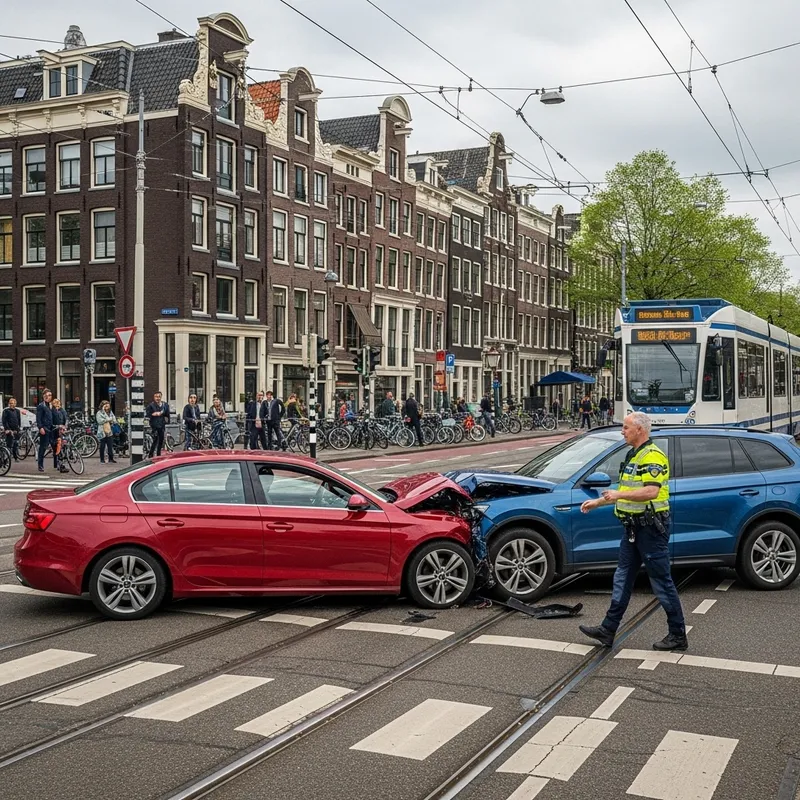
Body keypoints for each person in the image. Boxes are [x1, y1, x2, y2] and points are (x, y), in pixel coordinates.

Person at [578, 412, 687, 652]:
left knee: (661, 582)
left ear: (640, 429)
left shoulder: (653, 456)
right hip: (633, 527)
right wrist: (598, 502)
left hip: (650, 528)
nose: (622, 431)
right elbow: (626, 489)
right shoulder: (634, 455)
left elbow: (650, 491)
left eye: (626, 427)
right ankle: (608, 629)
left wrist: (618, 495)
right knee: (622, 577)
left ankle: (678, 634)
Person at [145, 391, 170, 457]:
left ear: (161, 397)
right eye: (156, 397)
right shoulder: (151, 406)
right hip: (154, 425)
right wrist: (154, 414)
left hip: (162, 425)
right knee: (155, 440)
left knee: (161, 440)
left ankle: (158, 454)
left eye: (159, 397)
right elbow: (148, 414)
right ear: (154, 397)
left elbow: (167, 414)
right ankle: (151, 454)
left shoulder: (165, 405)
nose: (157, 398)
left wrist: (167, 420)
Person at [35, 389, 54, 472]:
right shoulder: (41, 406)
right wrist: (40, 427)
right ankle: (40, 465)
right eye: (46, 395)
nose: (48, 397)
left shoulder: (50, 405)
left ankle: (57, 464)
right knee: (43, 447)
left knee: (55, 445)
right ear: (43, 396)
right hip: (45, 428)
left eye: (49, 395)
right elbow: (38, 418)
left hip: (52, 428)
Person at [51, 398, 68, 472]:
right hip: (54, 431)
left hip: (61, 431)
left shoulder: (62, 410)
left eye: (58, 402)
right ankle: (57, 464)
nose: (57, 404)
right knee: (56, 447)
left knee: (61, 447)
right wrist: (56, 426)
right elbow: (51, 421)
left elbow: (65, 419)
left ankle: (60, 464)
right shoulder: (52, 411)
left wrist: (65, 427)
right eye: (55, 403)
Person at [2, 397, 21, 461]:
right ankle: (6, 458)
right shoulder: (6, 411)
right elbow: (4, 421)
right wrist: (7, 429)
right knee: (9, 444)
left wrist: (18, 428)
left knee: (16, 444)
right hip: (9, 430)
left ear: (15, 404)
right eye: (11, 403)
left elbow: (19, 420)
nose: (12, 404)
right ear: (9, 404)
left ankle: (15, 457)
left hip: (16, 430)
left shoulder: (17, 411)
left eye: (14, 403)